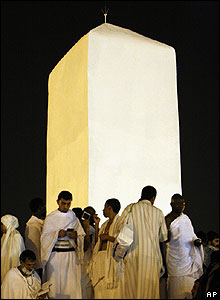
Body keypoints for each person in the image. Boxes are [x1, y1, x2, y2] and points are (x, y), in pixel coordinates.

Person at [113, 185, 168, 299]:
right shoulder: (158, 212)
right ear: (153, 198)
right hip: (152, 258)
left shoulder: (130, 208)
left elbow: (119, 227)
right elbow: (163, 237)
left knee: (132, 291)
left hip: (133, 255)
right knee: (150, 292)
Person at [40, 190, 86, 299]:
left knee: (71, 285)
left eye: (68, 204)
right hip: (55, 257)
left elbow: (81, 235)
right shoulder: (51, 218)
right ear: (58, 202)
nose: (66, 206)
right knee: (55, 286)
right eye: (63, 203)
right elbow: (44, 238)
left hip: (70, 257)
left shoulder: (73, 216)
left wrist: (75, 236)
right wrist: (56, 234)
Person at [165, 193, 204, 299]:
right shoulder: (167, 220)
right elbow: (165, 240)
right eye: (177, 204)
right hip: (175, 260)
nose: (181, 206)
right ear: (171, 204)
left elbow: (191, 235)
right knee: (176, 292)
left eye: (182, 204)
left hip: (188, 258)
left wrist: (196, 241)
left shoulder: (185, 218)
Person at [87, 198, 121, 299]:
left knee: (111, 293)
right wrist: (97, 226)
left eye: (104, 207)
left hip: (111, 261)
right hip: (100, 261)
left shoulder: (120, 222)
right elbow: (97, 242)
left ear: (109, 208)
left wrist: (108, 238)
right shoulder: (104, 224)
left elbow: (124, 242)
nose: (103, 210)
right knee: (99, 292)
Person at [80, 206, 99, 299]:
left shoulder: (93, 228)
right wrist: (86, 230)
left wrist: (97, 225)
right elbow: (85, 247)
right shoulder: (80, 229)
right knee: (84, 289)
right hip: (83, 263)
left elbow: (97, 244)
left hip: (92, 261)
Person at [25, 197, 46, 279]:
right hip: (37, 265)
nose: (45, 209)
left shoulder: (39, 223)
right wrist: (37, 265)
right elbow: (34, 247)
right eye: (43, 207)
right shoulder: (33, 225)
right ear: (39, 209)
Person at [1, 214, 25, 283]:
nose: (2, 227)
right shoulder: (4, 237)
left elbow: (16, 257)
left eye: (2, 225)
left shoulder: (16, 237)